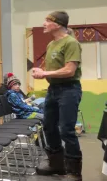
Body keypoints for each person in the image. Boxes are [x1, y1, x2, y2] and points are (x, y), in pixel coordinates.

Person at [32, 11, 83, 179]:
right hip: (53, 90)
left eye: (48, 20)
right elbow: (54, 71)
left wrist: (45, 73)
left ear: (59, 24)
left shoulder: (71, 43)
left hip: (69, 89)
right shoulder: (51, 44)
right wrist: (42, 72)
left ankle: (74, 171)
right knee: (48, 126)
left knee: (66, 130)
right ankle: (56, 164)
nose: (44, 23)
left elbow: (70, 70)